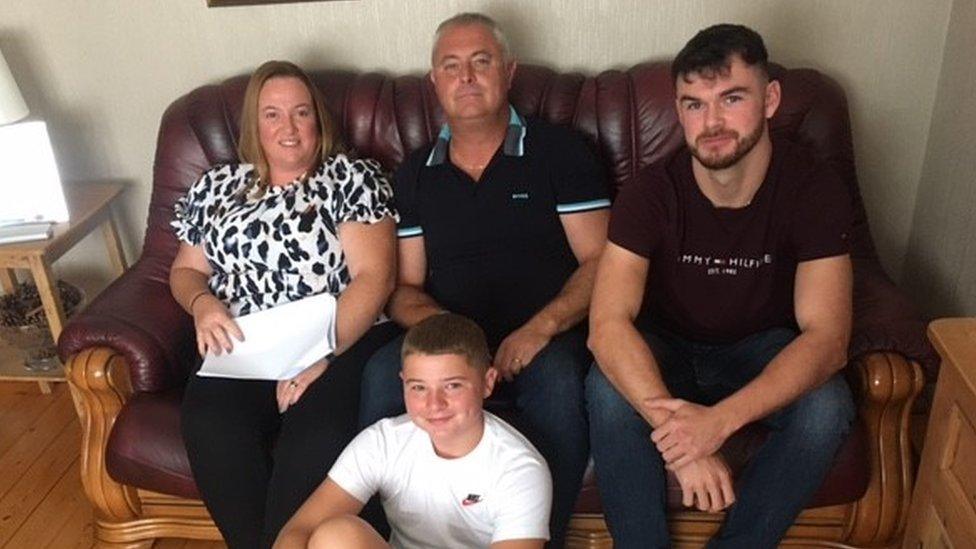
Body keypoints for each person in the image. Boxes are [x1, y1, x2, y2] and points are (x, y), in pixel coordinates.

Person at [585, 24, 857, 548]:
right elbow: (607, 326)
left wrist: (716, 425)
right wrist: (687, 443)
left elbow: (827, 338)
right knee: (605, 385)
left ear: (770, 98)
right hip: (668, 348)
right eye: (693, 104)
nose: (711, 122)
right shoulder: (650, 192)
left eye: (731, 98)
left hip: (761, 348)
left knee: (827, 406)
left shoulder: (814, 188)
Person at [358, 13, 610, 547]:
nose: (466, 77)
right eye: (451, 66)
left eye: (481, 62)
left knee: (562, 384)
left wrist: (541, 328)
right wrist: (448, 335)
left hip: (546, 333)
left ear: (509, 71)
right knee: (383, 374)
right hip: (445, 336)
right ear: (434, 81)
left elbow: (601, 262)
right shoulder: (415, 172)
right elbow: (404, 288)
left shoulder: (560, 152)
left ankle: (539, 536)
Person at [170, 60, 399, 548]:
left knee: (313, 440)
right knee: (210, 424)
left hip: (339, 336)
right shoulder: (215, 187)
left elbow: (374, 278)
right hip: (244, 340)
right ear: (254, 123)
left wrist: (325, 355)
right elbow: (186, 270)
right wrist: (202, 303)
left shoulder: (350, 177)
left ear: (319, 119)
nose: (288, 128)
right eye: (272, 115)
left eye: (301, 113)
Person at [275, 313, 552, 549]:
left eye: (452, 385)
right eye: (419, 387)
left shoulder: (519, 467)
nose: (434, 404)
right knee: (335, 536)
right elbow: (297, 531)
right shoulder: (384, 441)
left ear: (488, 382)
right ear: (403, 383)